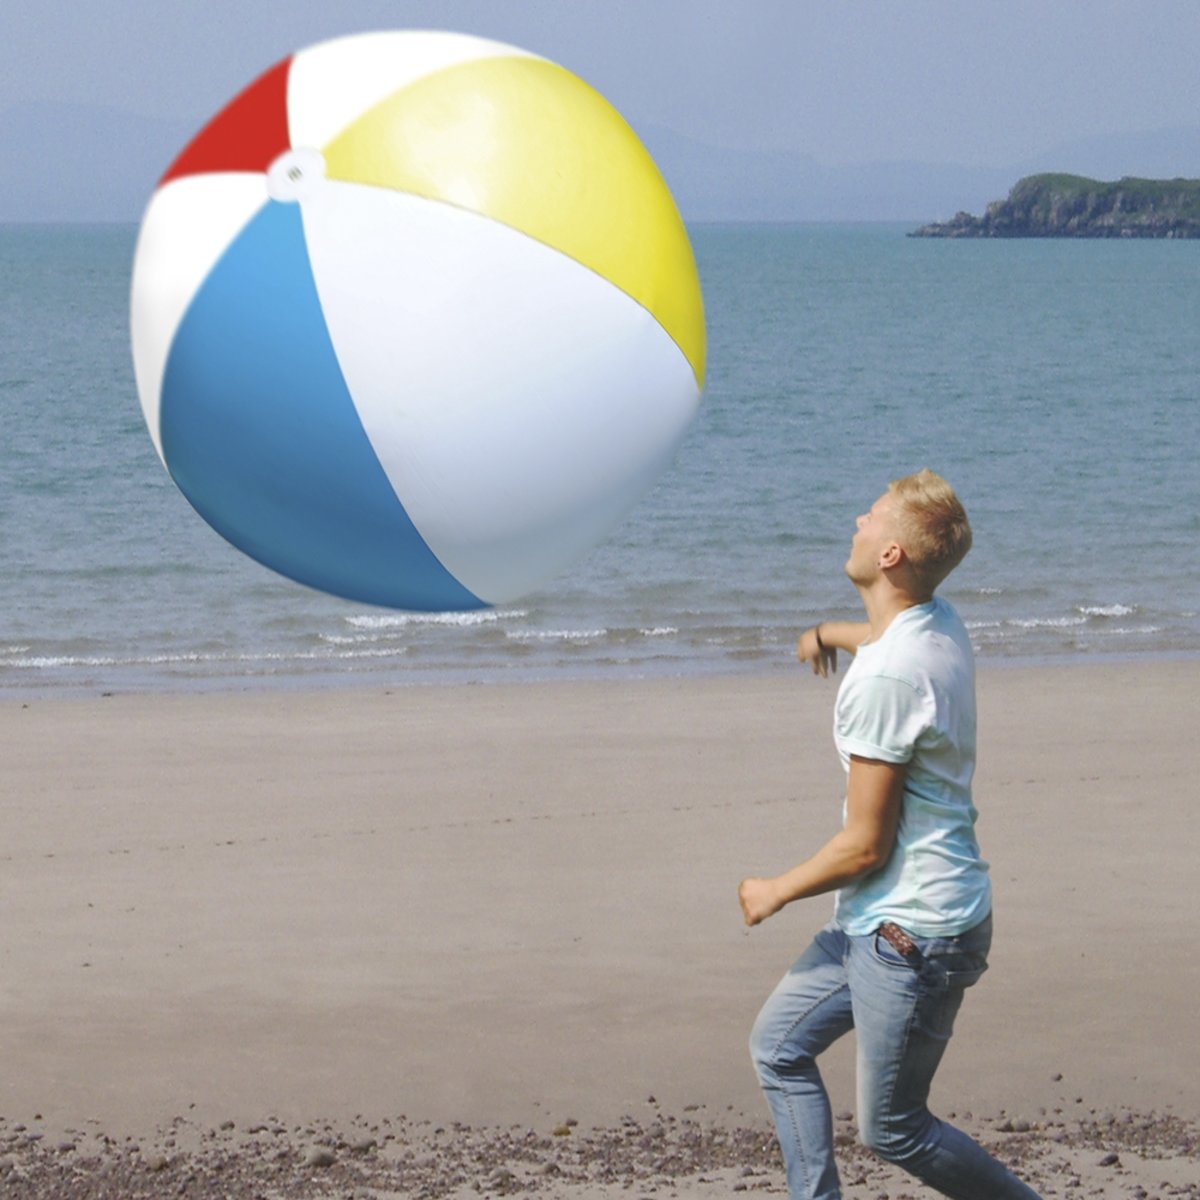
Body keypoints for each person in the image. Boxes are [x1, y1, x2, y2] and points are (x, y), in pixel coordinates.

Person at [738, 469, 1040, 1200]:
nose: (857, 521)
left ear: (891, 557)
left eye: (870, 518)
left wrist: (774, 891)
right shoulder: (935, 621)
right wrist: (823, 634)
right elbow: (879, 633)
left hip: (914, 936)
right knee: (778, 1048)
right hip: (882, 919)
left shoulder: (887, 682)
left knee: (894, 1127)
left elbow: (865, 846)